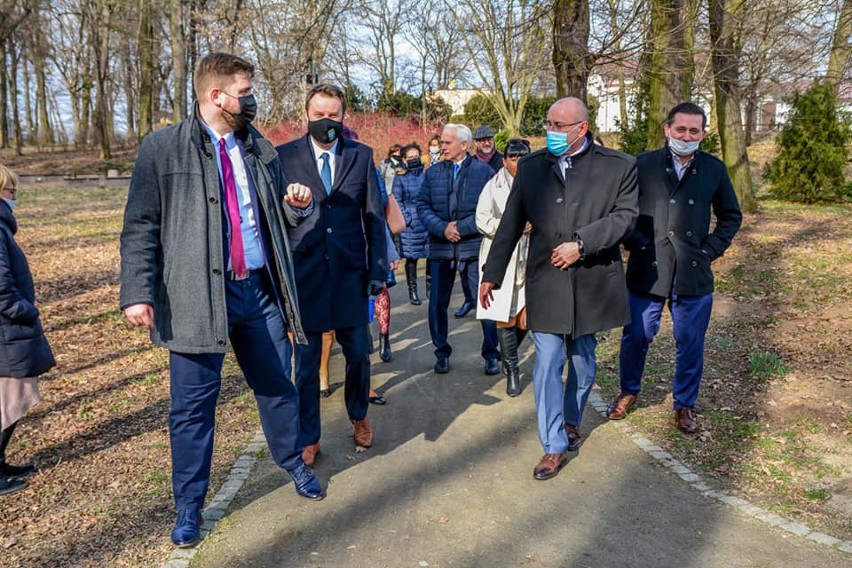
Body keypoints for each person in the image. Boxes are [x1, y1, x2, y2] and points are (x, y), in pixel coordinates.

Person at [120, 52, 323, 548]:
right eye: (244, 90)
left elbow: (274, 220)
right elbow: (140, 226)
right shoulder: (162, 149)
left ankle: (293, 463)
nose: (251, 100)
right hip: (193, 297)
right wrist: (138, 292)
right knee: (192, 409)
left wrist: (296, 207)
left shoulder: (260, 149)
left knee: (278, 383)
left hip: (257, 291)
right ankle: (189, 506)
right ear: (216, 96)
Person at [480, 97, 638, 481]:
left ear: (581, 128)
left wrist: (582, 244)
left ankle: (571, 420)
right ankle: (553, 445)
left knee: (583, 366)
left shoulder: (619, 166)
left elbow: (626, 218)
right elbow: (511, 223)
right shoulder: (533, 168)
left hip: (592, 283)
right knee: (548, 362)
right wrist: (492, 273)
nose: (549, 132)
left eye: (558, 126)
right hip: (546, 282)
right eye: (547, 123)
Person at [606, 102, 742, 434]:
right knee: (636, 334)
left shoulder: (714, 169)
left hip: (692, 270)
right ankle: (628, 391)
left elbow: (730, 216)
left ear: (703, 133)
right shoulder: (642, 164)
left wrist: (709, 250)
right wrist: (636, 242)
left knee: (691, 340)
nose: (686, 135)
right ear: (667, 129)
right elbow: (621, 210)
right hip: (647, 266)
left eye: (694, 130)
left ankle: (684, 404)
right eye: (680, 129)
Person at [276, 84, 387, 468]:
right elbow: (275, 221)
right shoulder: (283, 157)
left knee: (358, 353)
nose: (327, 122)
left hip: (350, 276)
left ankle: (359, 414)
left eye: (333, 115)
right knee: (305, 364)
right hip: (305, 276)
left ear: (344, 117)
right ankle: (309, 436)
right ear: (306, 115)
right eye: (319, 115)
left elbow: (374, 216)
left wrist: (378, 271)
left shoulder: (361, 155)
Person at [418, 123, 500, 376]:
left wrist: (461, 229)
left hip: (473, 248)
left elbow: (489, 209)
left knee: (485, 304)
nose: (442, 147)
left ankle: (491, 354)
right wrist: (443, 228)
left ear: (463, 145)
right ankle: (441, 352)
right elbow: (422, 205)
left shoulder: (484, 172)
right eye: (441, 142)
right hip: (441, 249)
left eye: (447, 142)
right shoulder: (432, 173)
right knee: (436, 306)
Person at [0, 164, 55, 496]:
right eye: (10, 192)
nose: (14, 198)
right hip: (7, 330)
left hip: (10, 330)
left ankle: (1, 462)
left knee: (12, 399)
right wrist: (25, 311)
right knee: (10, 401)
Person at [475, 139, 532, 397]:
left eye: (522, 157)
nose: (517, 162)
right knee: (504, 316)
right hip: (501, 257)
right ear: (504, 160)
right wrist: (512, 227)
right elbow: (482, 220)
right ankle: (511, 370)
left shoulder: (540, 183)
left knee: (526, 318)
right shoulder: (492, 187)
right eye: (513, 157)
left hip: (531, 255)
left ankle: (506, 352)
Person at [392, 143, 428, 305]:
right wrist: (407, 219)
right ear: (404, 160)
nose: (414, 159)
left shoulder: (426, 174)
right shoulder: (400, 177)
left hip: (427, 221)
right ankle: (412, 290)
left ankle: (430, 287)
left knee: (430, 256)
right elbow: (396, 200)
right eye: (410, 157)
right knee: (411, 259)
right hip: (410, 225)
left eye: (416, 156)